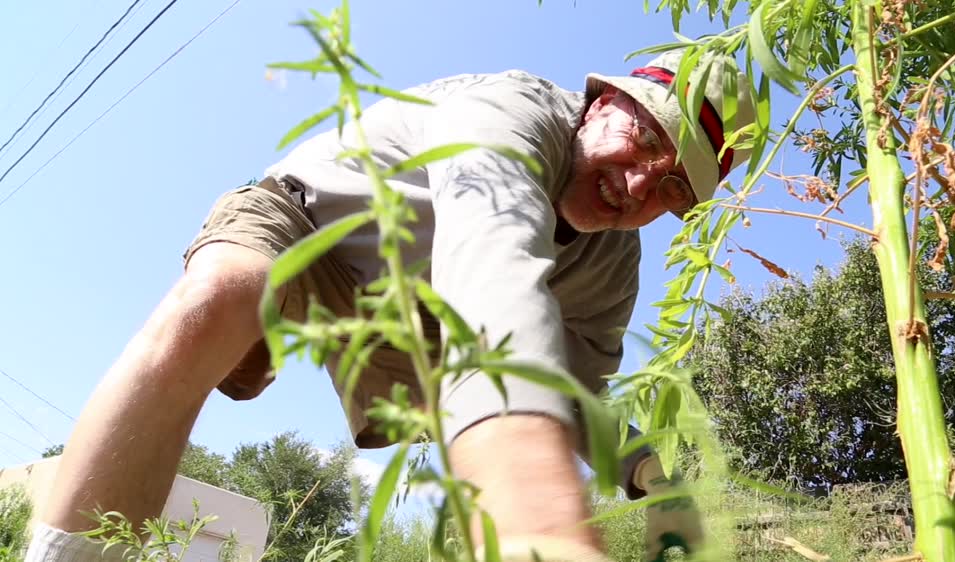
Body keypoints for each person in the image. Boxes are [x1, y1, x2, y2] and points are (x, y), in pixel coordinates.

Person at [25, 50, 754, 562]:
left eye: (671, 190)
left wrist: (652, 477)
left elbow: (575, 396)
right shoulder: (513, 111)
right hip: (310, 235)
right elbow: (491, 267)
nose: (636, 187)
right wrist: (539, 525)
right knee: (216, 300)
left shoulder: (610, 263)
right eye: (644, 140)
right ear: (603, 102)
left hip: (415, 329)